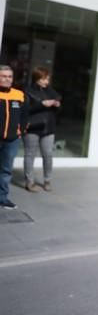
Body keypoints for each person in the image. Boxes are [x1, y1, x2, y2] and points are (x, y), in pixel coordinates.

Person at [23, 66, 61, 192]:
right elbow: (25, 110)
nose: (47, 82)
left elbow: (58, 99)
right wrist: (41, 104)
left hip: (48, 128)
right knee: (30, 155)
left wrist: (57, 104)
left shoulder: (50, 90)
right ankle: (29, 182)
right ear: (37, 79)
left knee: (48, 155)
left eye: (48, 79)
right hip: (32, 128)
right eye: (44, 79)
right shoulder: (27, 91)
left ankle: (47, 181)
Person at [0, 65, 28, 209]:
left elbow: (24, 116)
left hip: (12, 140)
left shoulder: (19, 95)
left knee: (6, 170)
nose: (7, 79)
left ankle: (2, 198)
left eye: (9, 76)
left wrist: (20, 131)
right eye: (4, 76)